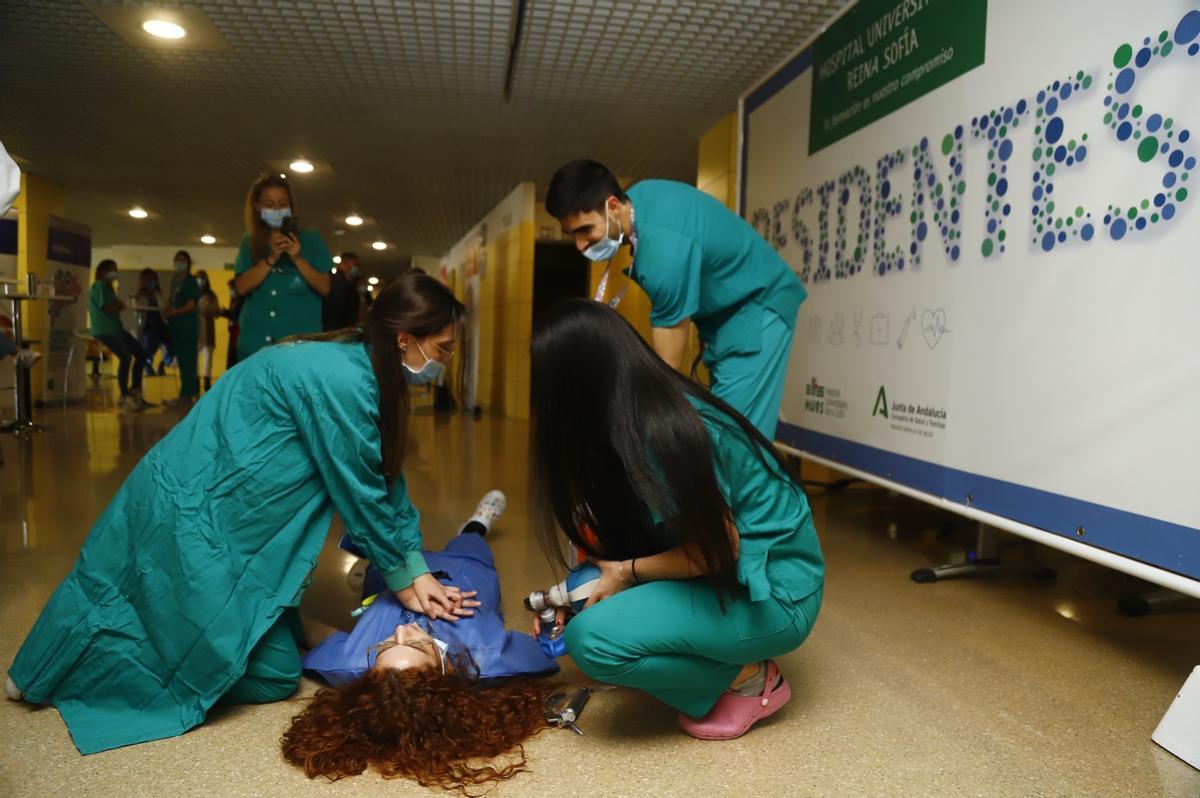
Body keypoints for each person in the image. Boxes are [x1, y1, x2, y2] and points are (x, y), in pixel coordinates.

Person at [4, 273, 469, 755]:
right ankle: (61, 674)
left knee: (261, 659)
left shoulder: (359, 365)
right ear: (403, 339)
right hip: (200, 512)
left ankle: (84, 667)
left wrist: (414, 568)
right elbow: (363, 492)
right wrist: (405, 578)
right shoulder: (345, 377)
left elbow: (383, 476)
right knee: (131, 597)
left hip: (213, 505)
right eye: (443, 349)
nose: (442, 362)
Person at [529, 299, 824, 741]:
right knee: (582, 590)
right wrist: (586, 588)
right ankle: (713, 658)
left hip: (778, 595)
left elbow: (718, 550)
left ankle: (748, 678)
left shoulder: (662, 432)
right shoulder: (631, 416)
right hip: (726, 573)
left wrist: (627, 573)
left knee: (590, 640)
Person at [285, 491, 560, 791]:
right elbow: (543, 657)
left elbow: (312, 641)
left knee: (380, 546)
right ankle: (476, 525)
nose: (404, 630)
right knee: (471, 544)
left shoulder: (351, 662)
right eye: (416, 644)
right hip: (464, 572)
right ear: (445, 673)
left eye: (385, 646)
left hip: (389, 575)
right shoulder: (489, 657)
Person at [545, 160, 807, 439]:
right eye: (571, 234)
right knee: (725, 436)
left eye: (585, 230)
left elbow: (667, 374)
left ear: (612, 206)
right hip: (728, 318)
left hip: (758, 309)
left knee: (736, 444)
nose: (580, 245)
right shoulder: (641, 199)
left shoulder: (662, 252)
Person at [233, 174, 331, 360]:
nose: (277, 209)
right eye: (269, 205)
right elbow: (242, 286)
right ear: (257, 206)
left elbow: (325, 287)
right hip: (255, 345)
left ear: (290, 206)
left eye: (282, 204)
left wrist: (298, 259)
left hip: (300, 348)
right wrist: (272, 257)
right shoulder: (250, 242)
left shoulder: (311, 239)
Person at [87, 259, 147, 411]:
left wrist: (118, 305)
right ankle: (124, 395)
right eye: (111, 269)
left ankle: (135, 390)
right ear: (102, 272)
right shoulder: (99, 286)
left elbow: (113, 305)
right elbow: (107, 307)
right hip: (104, 330)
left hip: (116, 329)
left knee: (140, 353)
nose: (114, 272)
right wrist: (119, 305)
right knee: (126, 357)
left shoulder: (109, 287)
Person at [162, 251, 200, 409]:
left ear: (188, 263)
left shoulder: (191, 282)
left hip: (187, 327)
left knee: (188, 362)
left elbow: (190, 305)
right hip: (177, 326)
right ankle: (190, 394)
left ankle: (187, 395)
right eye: (177, 260)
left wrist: (174, 312)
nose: (179, 263)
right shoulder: (174, 281)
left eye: (183, 261)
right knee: (183, 362)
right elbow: (173, 299)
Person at [132, 268, 174, 375]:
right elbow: (134, 305)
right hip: (147, 327)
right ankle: (148, 364)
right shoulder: (139, 296)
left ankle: (164, 363)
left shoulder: (159, 295)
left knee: (173, 344)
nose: (151, 282)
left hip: (161, 325)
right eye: (148, 280)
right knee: (150, 345)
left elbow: (166, 307)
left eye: (153, 279)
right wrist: (138, 291)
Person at [195, 269, 221, 392]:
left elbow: (216, 312)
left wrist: (215, 311)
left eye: (202, 278)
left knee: (207, 359)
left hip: (207, 331)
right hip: (193, 331)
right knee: (194, 361)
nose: (199, 280)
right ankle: (194, 385)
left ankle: (206, 384)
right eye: (197, 277)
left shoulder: (211, 295)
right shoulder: (191, 294)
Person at [322, 251, 361, 331]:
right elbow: (337, 303)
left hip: (340, 325)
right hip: (338, 326)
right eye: (355, 264)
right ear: (346, 262)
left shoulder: (347, 281)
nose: (356, 268)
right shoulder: (337, 280)